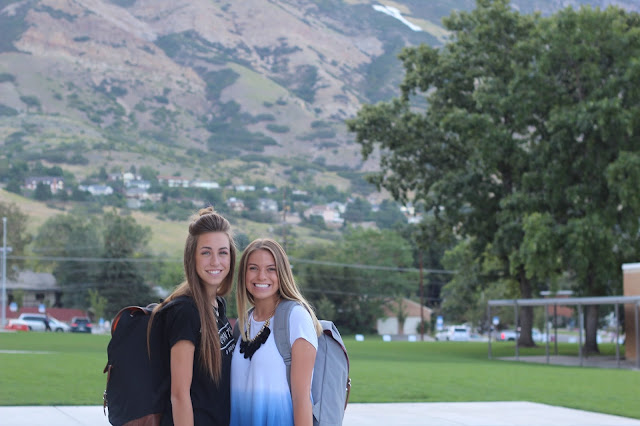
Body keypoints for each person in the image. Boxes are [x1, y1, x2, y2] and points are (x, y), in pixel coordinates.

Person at [148, 207, 237, 426]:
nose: (215, 261)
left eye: (222, 252)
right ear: (192, 258)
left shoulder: (217, 305)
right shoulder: (186, 312)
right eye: (206, 252)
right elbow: (179, 395)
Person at [230, 238, 322, 426]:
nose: (261, 276)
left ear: (282, 274)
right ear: (243, 274)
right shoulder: (242, 324)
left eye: (271, 269)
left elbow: (302, 399)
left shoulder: (296, 318)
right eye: (253, 268)